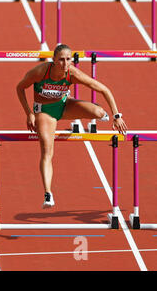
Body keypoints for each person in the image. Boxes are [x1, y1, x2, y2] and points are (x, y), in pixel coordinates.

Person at [16, 44, 127, 209]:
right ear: (53, 60)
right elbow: (20, 88)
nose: (65, 63)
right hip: (45, 113)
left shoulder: (72, 73)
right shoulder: (41, 72)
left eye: (68, 59)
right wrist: (29, 113)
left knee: (98, 112)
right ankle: (48, 193)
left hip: (65, 107)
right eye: (61, 59)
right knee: (47, 150)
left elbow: (104, 89)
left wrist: (117, 116)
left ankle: (94, 110)